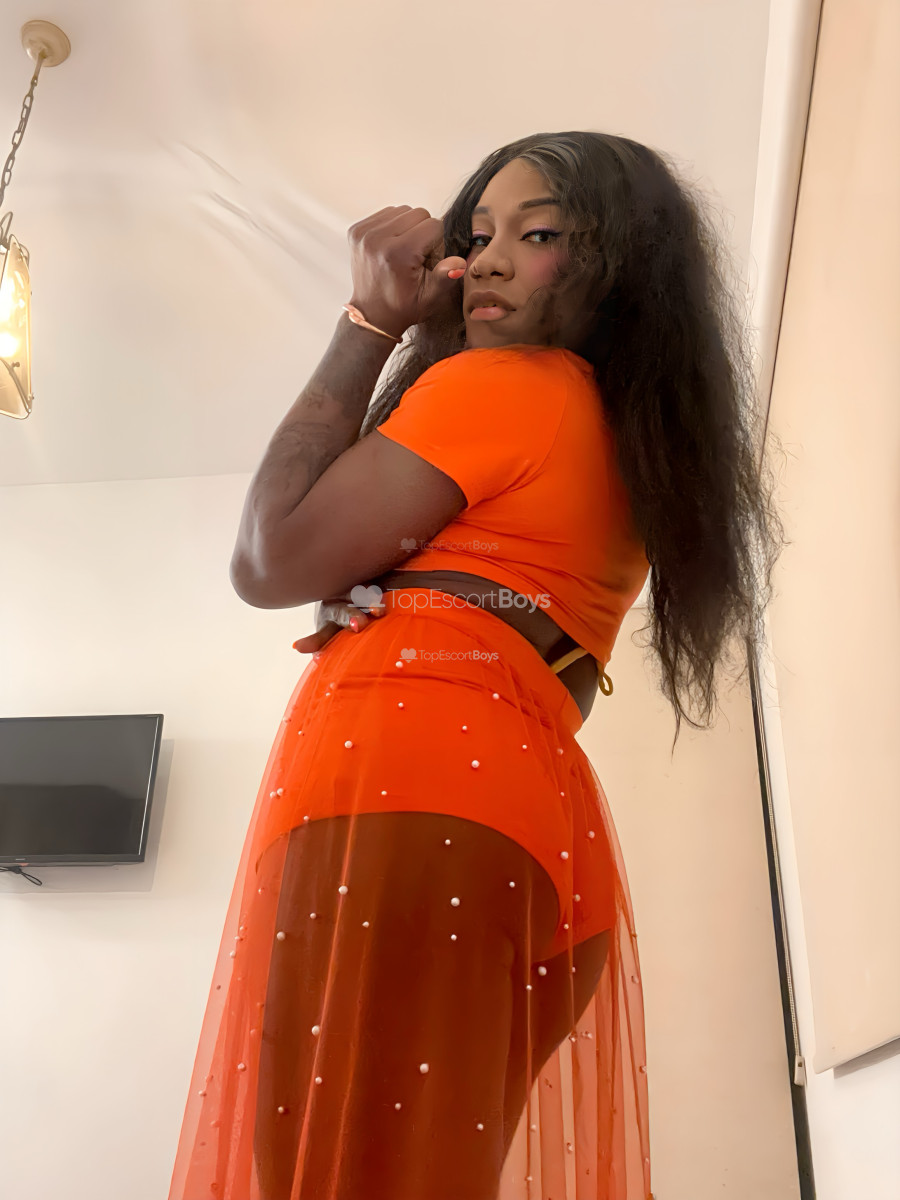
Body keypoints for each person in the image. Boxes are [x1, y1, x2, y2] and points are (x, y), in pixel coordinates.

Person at [166, 132, 786, 1200]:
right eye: (480, 233)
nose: (485, 259)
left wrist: (366, 325)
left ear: (618, 264)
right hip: (534, 827)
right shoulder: (624, 447)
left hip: (409, 790)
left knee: (325, 1176)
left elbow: (268, 558)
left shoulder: (508, 385)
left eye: (537, 234)